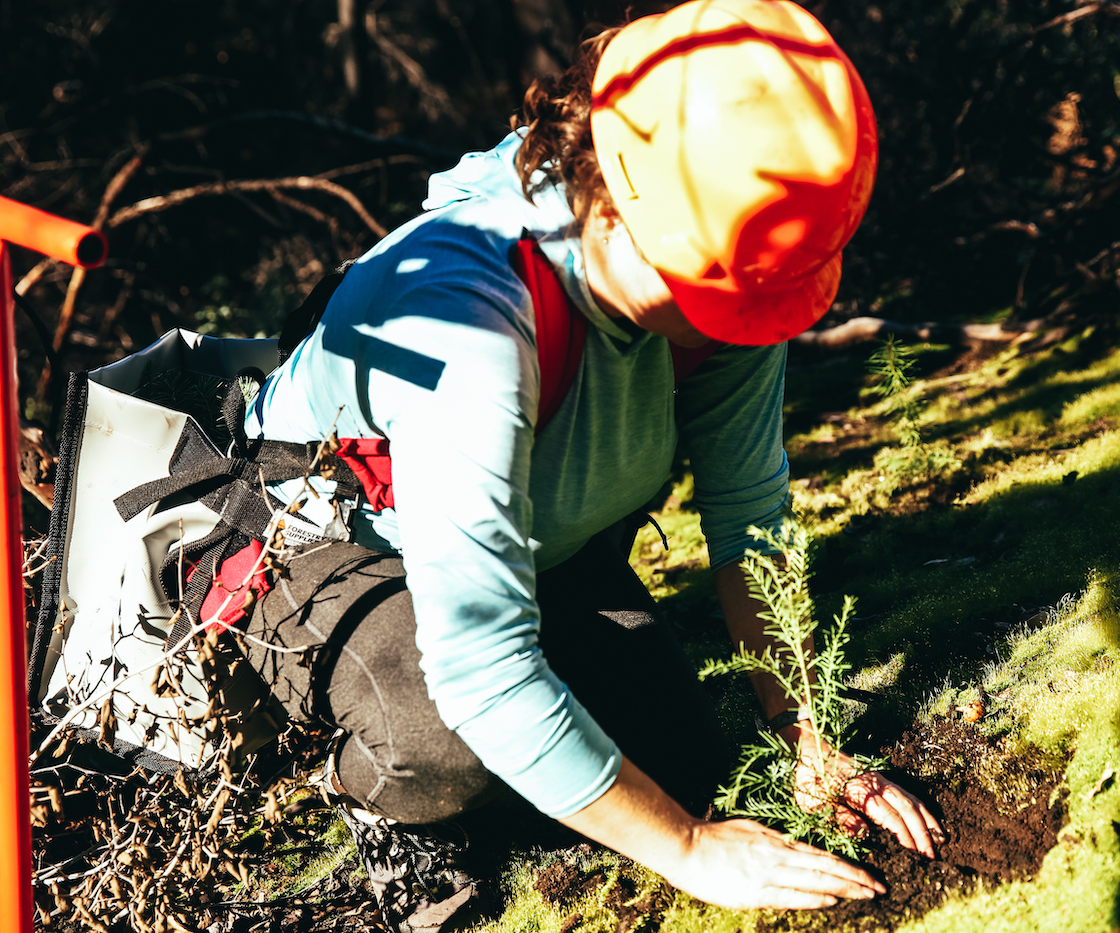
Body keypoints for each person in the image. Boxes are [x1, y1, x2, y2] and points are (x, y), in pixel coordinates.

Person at [242, 1, 942, 928]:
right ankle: (381, 804)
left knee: (671, 748)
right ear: (613, 193)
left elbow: (749, 517)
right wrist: (691, 852)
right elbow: (482, 667)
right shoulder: (474, 316)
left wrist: (806, 730)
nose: (737, 324)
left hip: (533, 551)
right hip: (328, 552)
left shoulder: (729, 252)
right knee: (443, 736)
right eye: (715, 293)